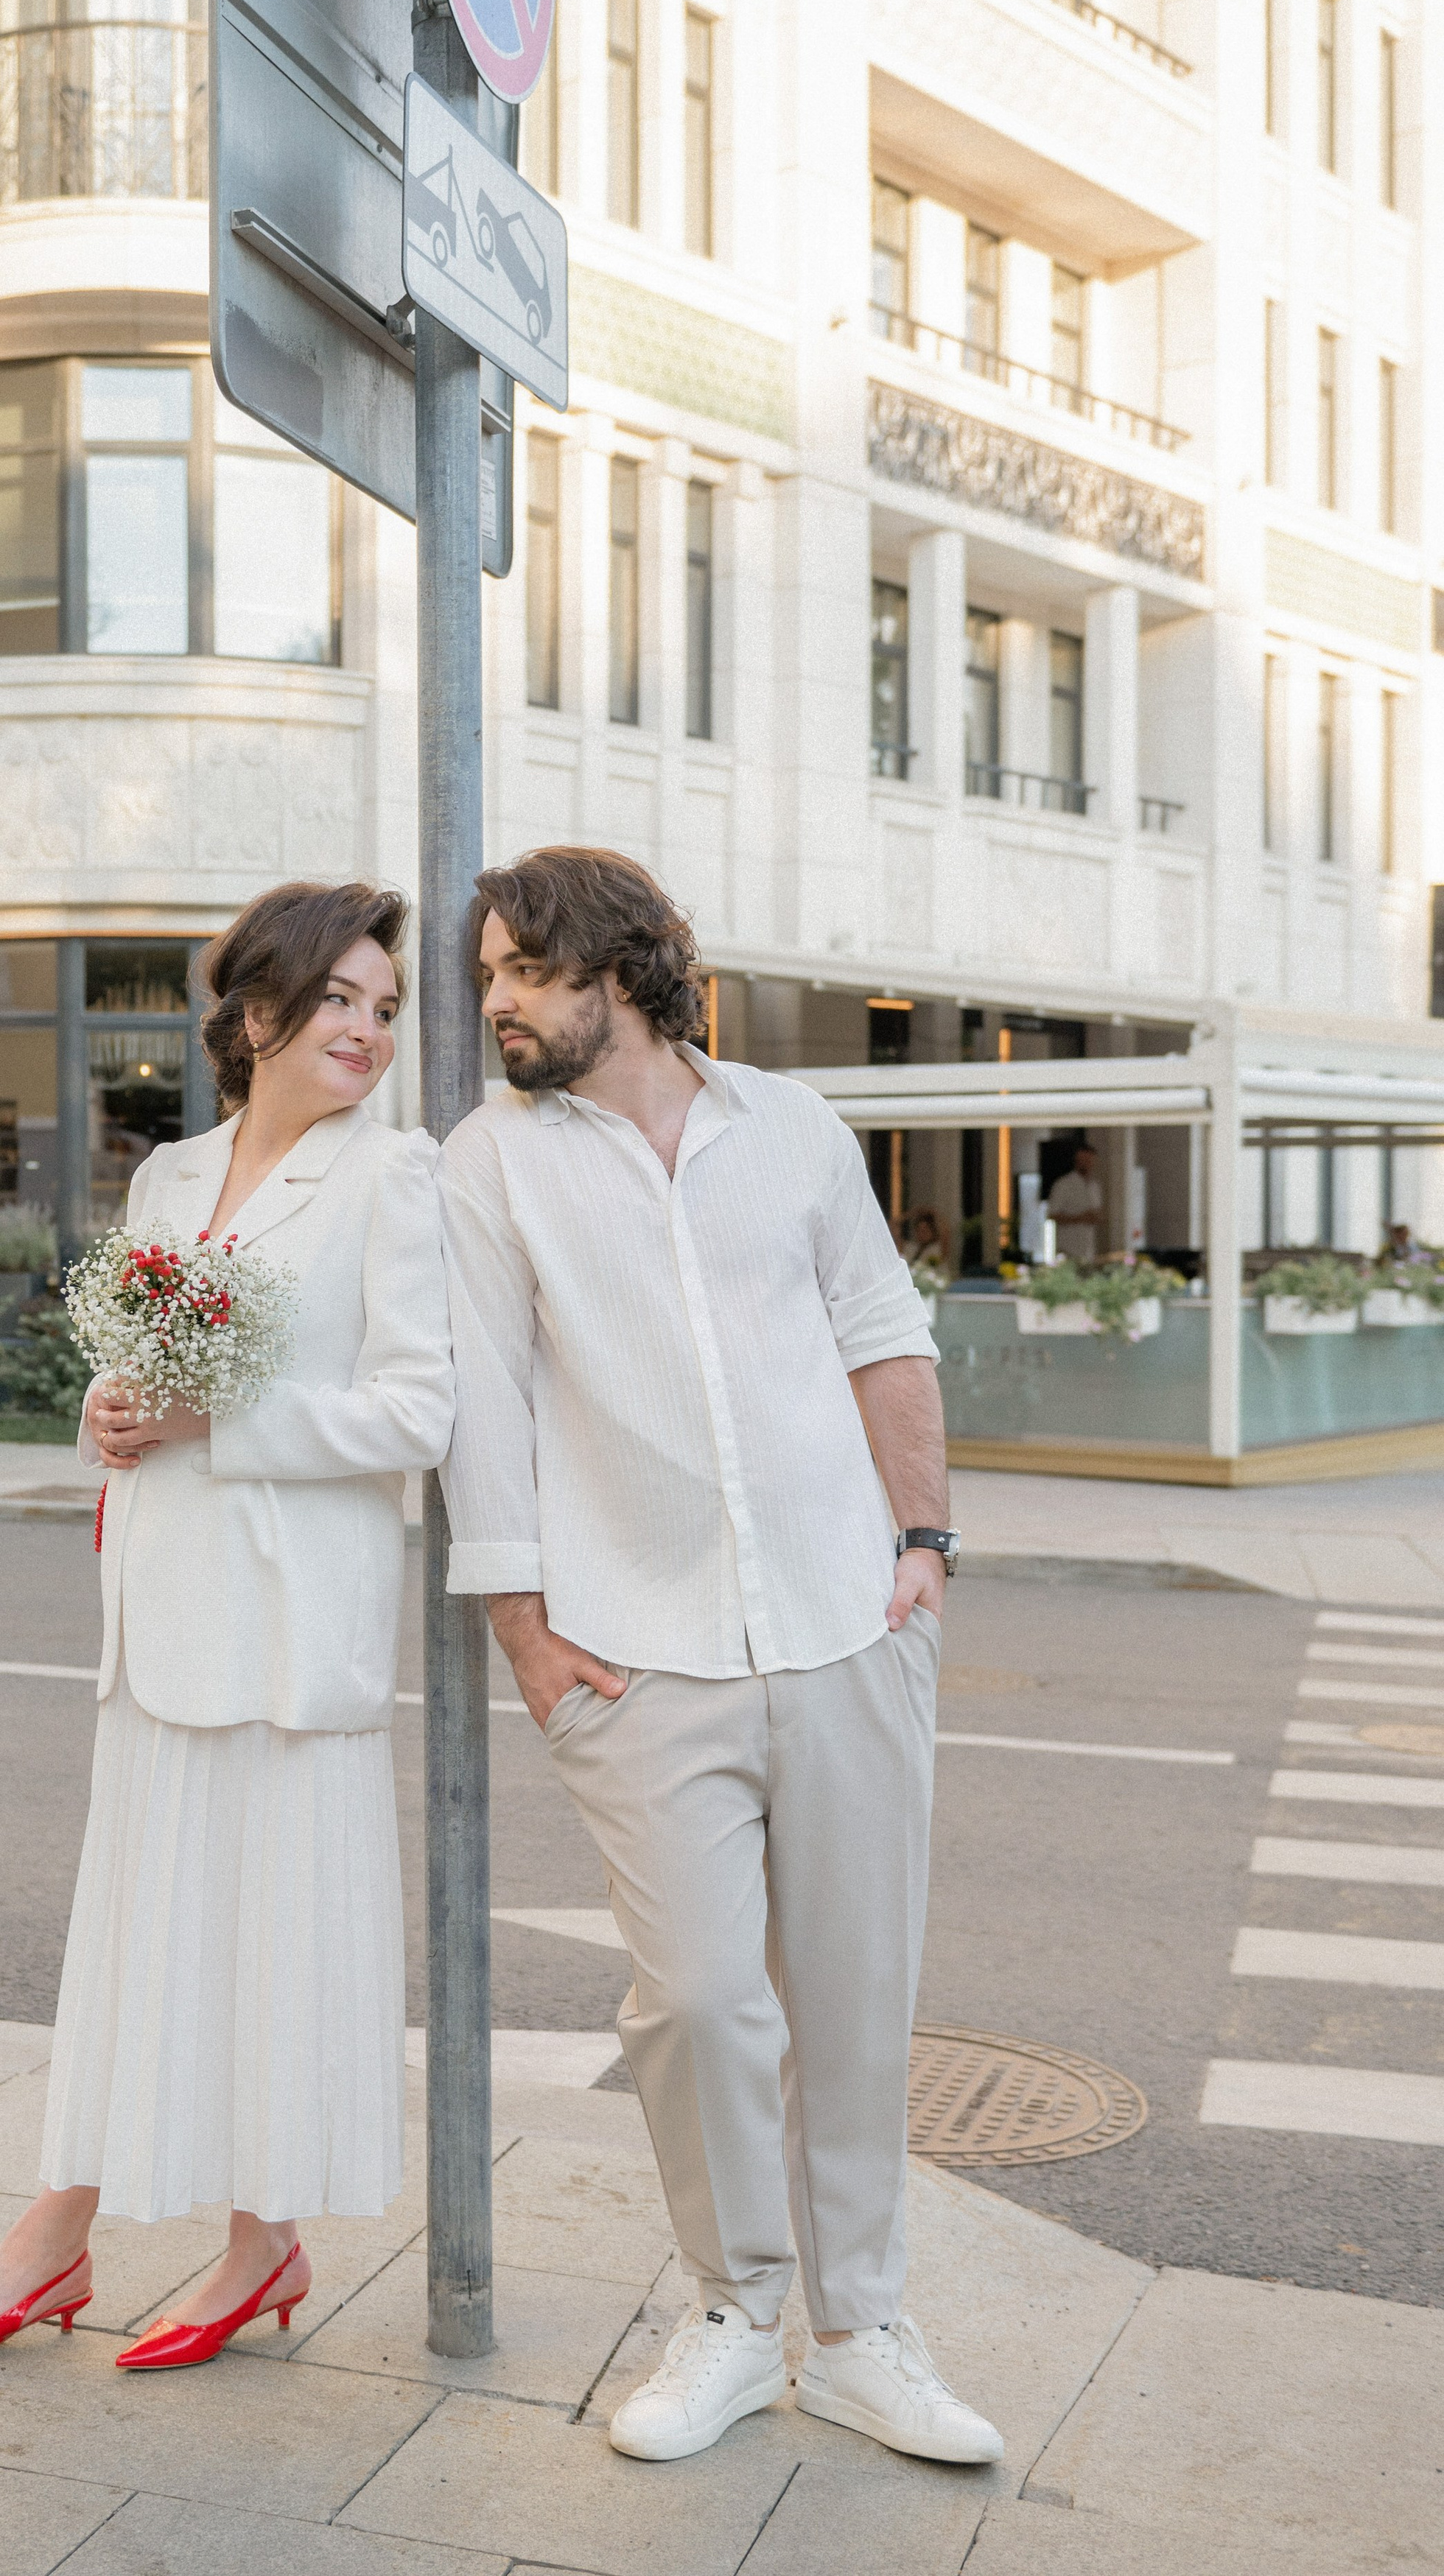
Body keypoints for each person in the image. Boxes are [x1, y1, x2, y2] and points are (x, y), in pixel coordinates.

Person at [438, 846, 1000, 2470]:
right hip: (633, 1651)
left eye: (521, 972)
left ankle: (862, 2333)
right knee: (693, 2002)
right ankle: (736, 2318)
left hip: (845, 1622)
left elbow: (882, 1336)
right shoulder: (491, 1161)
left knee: (852, 2001)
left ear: (619, 970)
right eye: (484, 974)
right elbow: (489, 1409)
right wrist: (527, 1644)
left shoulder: (795, 1129)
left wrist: (923, 1549)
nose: (495, 1002)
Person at [0, 881, 454, 2370]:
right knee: (142, 1942)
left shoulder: (397, 1181)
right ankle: (83, 2242)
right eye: (341, 1002)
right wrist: (110, 1411)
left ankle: (210, 2246)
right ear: (255, 1015)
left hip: (288, 1634)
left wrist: (220, 1415)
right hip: (157, 1620)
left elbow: (417, 1413)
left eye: (386, 1010)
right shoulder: (171, 1181)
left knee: (263, 1946)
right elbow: (137, 1387)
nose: (369, 1033)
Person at [1044, 1141, 1105, 1261]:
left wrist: (1096, 1218)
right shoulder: (1063, 1185)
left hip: (1088, 1248)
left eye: (1089, 1160)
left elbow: (1097, 1212)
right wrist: (1079, 1218)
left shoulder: (1094, 1186)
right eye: (1082, 1160)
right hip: (1068, 1248)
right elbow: (1052, 1215)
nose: (1086, 1164)